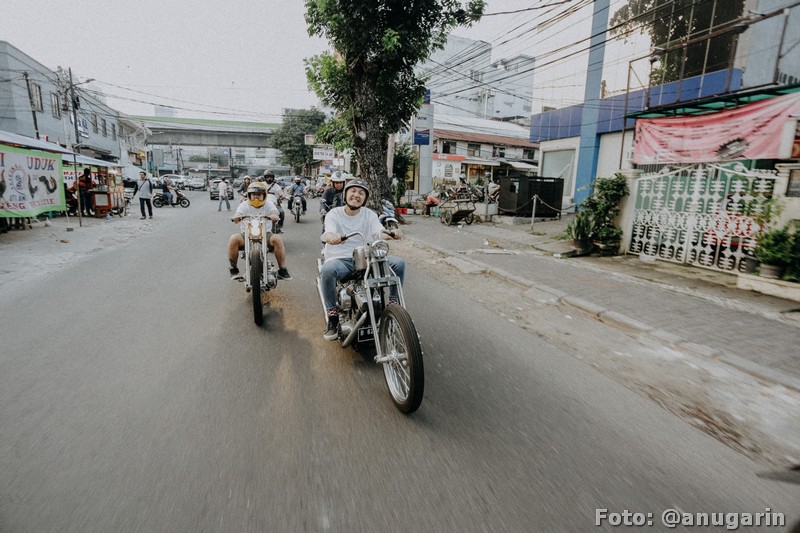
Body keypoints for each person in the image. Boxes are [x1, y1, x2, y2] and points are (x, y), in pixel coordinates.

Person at [319, 179, 404, 340]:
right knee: (327, 270)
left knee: (398, 264)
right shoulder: (334, 214)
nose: (356, 195)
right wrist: (332, 237)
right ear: (345, 194)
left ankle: (394, 304)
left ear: (365, 198)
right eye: (353, 191)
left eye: (361, 193)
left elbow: (379, 231)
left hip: (368, 258)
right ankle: (332, 316)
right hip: (342, 259)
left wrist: (392, 233)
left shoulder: (369, 214)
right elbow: (328, 232)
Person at [227, 182, 292, 282]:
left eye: (259, 194)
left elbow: (274, 211)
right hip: (246, 234)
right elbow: (238, 213)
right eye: (253, 194)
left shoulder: (268, 204)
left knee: (277, 239)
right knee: (233, 238)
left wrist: (274, 215)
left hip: (266, 234)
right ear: (249, 195)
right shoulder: (244, 205)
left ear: (264, 195)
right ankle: (234, 269)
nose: (256, 197)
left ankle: (282, 269)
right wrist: (236, 217)